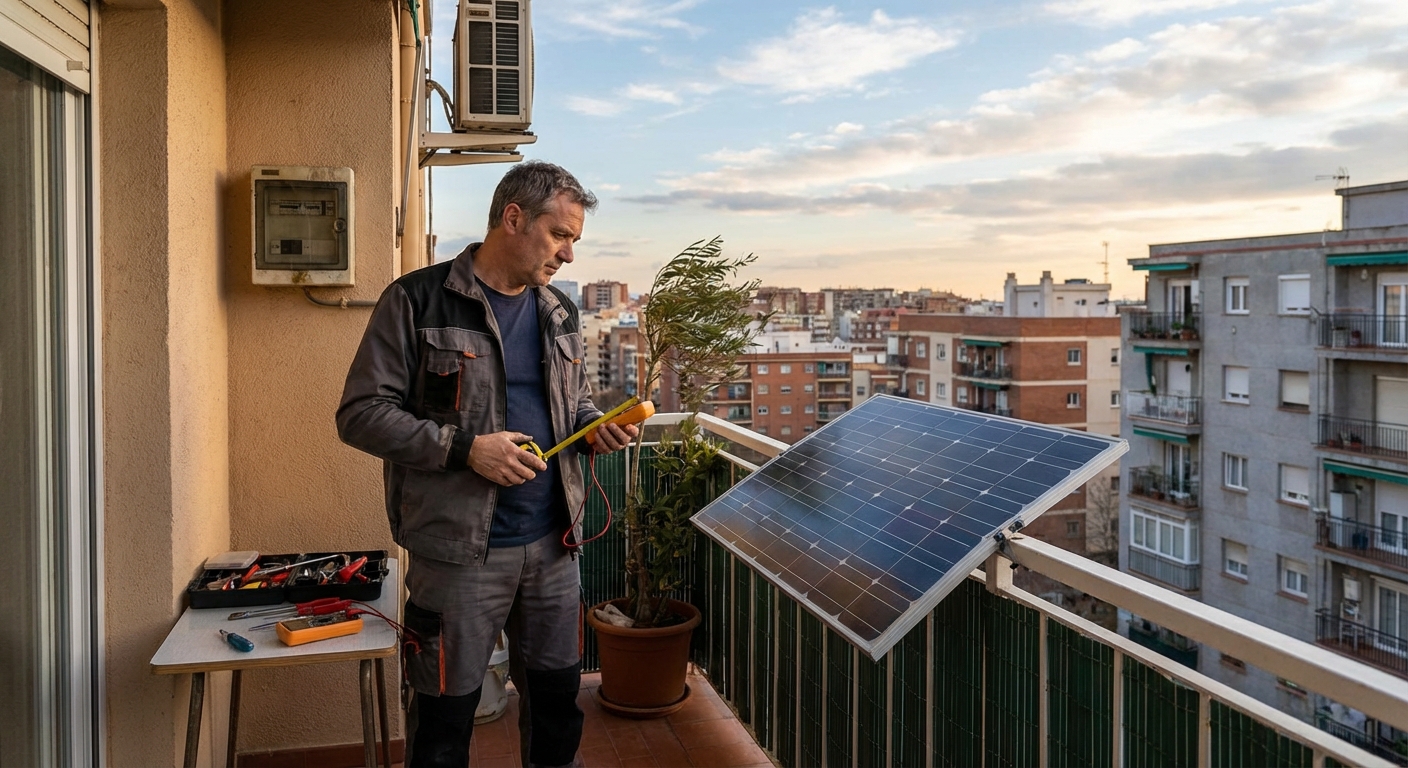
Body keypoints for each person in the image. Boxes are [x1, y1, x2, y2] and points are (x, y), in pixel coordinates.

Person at [336, 161, 637, 768]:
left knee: (557, 709)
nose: (569, 255)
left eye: (575, 240)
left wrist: (590, 426)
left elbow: (569, 402)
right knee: (444, 723)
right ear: (514, 217)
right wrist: (465, 448)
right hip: (458, 554)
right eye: (561, 235)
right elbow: (361, 413)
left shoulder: (559, 311)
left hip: (555, 547)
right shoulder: (415, 301)